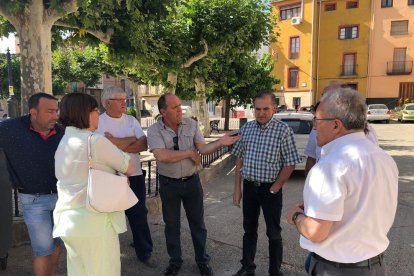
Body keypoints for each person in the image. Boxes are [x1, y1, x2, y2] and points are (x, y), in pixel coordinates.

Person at [287, 88, 398, 276]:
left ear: (336, 125)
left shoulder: (329, 167)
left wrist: (295, 216)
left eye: (317, 121)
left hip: (336, 269)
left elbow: (316, 232)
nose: (314, 128)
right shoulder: (384, 158)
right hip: (375, 266)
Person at [147, 93, 239, 276]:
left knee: (197, 224)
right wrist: (189, 154)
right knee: (171, 225)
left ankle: (202, 261)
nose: (180, 109)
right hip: (168, 184)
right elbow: (162, 156)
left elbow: (203, 149)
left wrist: (220, 142)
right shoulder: (154, 130)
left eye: (180, 105)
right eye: (174, 107)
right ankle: (175, 261)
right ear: (163, 111)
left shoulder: (191, 124)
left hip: (192, 183)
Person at [53, 93, 134, 276]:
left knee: (77, 271)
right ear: (86, 113)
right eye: (97, 110)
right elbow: (128, 166)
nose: (99, 115)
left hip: (68, 221)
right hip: (95, 222)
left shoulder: (64, 141)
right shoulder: (95, 141)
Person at [231, 91, 302, 276]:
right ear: (253, 109)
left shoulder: (283, 130)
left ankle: (274, 271)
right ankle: (248, 267)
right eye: (257, 109)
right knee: (249, 230)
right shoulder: (247, 128)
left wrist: (275, 187)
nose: (261, 113)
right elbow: (239, 157)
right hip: (249, 187)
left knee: (273, 232)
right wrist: (237, 188)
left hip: (270, 190)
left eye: (265, 109)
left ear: (274, 108)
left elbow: (290, 162)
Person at [0, 93, 63, 276]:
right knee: (43, 251)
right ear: (33, 112)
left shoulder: (61, 133)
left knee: (57, 246)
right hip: (34, 201)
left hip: (62, 199)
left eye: (56, 110)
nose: (55, 115)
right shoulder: (10, 129)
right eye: (50, 111)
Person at [95, 86, 155, 267]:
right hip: (109, 177)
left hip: (134, 174)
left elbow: (143, 145)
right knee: (106, 217)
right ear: (107, 103)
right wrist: (129, 140)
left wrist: (114, 143)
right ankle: (105, 252)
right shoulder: (98, 122)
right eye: (119, 100)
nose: (124, 103)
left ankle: (145, 251)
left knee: (138, 214)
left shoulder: (131, 120)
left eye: (125, 100)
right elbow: (101, 149)